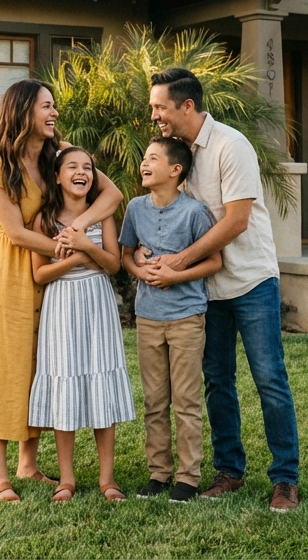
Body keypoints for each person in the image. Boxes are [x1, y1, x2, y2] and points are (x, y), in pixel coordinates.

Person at [135, 67, 301, 512]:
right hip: (205, 290)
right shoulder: (175, 156)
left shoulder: (231, 145)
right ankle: (230, 470)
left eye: (160, 107)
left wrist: (179, 262)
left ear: (186, 106)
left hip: (250, 281)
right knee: (217, 382)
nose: (156, 117)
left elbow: (236, 220)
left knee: (269, 379)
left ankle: (285, 479)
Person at [0, 80, 122, 503]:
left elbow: (113, 194)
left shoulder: (60, 152)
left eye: (54, 107)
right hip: (13, 274)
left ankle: (28, 465)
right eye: (46, 107)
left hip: (54, 276)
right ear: (22, 112)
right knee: (6, 366)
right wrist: (68, 247)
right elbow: (13, 230)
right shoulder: (0, 165)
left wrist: (78, 229)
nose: (53, 114)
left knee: (39, 366)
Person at [28, 146, 135, 503]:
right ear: (56, 176)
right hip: (61, 304)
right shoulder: (44, 219)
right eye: (72, 166)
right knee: (65, 383)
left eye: (88, 167)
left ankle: (108, 479)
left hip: (97, 303)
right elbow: (41, 273)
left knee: (100, 377)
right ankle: (67, 479)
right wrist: (76, 254)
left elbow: (113, 265)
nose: (82, 172)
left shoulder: (101, 214)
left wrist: (83, 247)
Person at [120, 137, 222, 504]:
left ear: (176, 170)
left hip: (186, 319)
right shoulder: (135, 208)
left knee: (186, 400)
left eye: (152, 158)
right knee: (155, 400)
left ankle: (188, 478)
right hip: (148, 318)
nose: (144, 164)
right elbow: (126, 256)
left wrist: (173, 276)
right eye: (144, 158)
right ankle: (159, 473)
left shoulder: (194, 213)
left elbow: (214, 262)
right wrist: (140, 271)